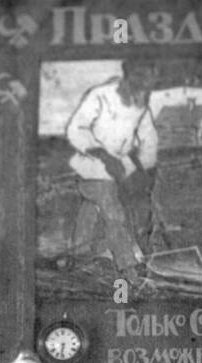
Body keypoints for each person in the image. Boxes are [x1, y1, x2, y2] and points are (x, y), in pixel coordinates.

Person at [65, 60, 161, 274]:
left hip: (121, 168)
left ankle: (78, 254)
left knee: (95, 208)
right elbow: (76, 129)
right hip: (92, 165)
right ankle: (128, 267)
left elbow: (149, 139)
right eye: (140, 78)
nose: (144, 86)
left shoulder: (140, 104)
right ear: (128, 75)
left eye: (148, 81)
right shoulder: (100, 96)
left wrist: (146, 170)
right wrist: (104, 155)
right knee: (111, 208)